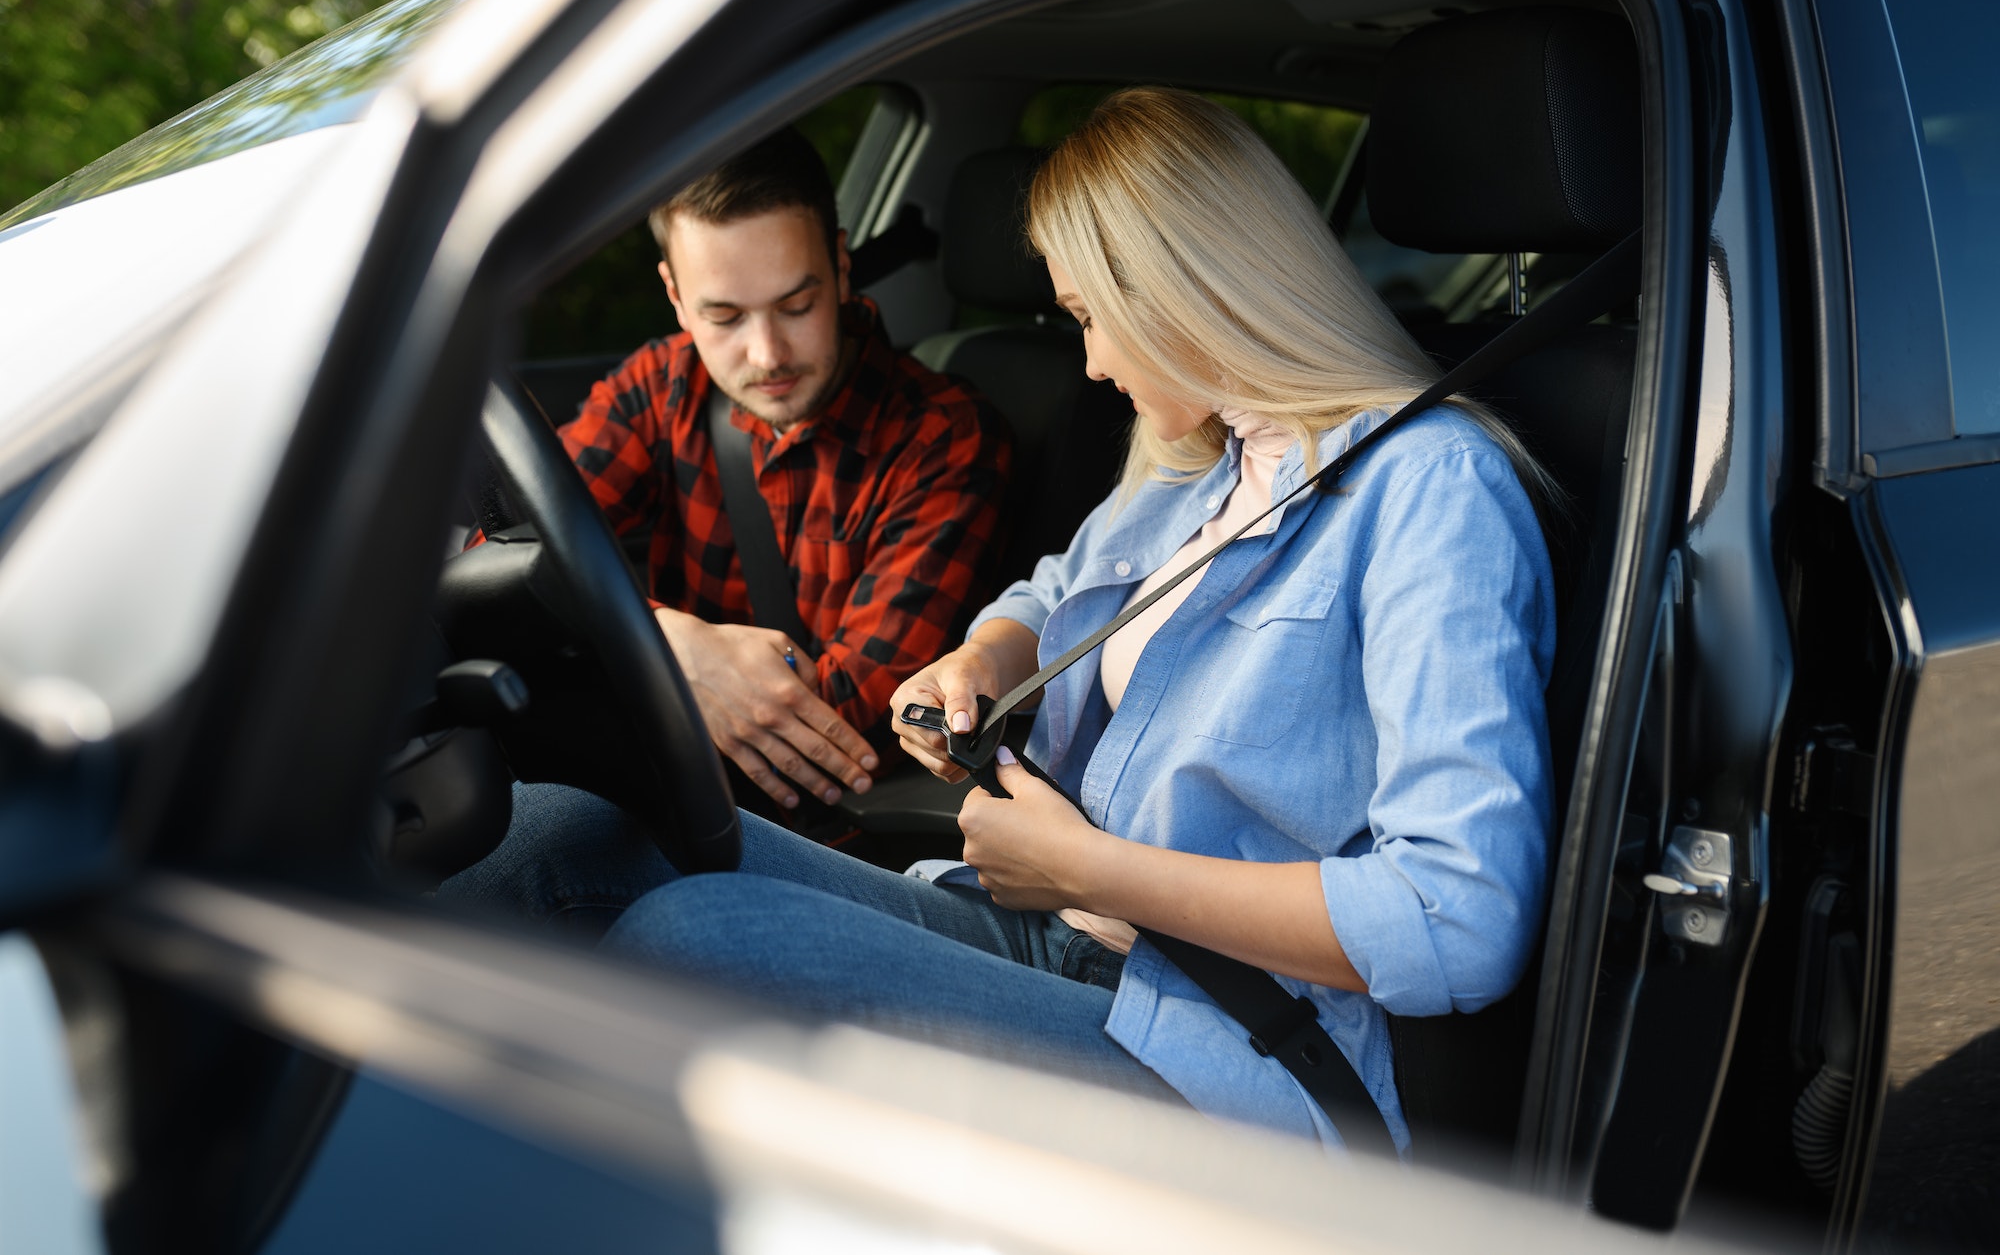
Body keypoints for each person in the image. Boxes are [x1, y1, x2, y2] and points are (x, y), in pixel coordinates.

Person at [453, 89, 1555, 1150]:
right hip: (1061, 930)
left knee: (683, 941)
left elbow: (1457, 915)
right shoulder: (1193, 462)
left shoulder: (1428, 485)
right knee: (555, 831)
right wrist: (981, 658)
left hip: (1233, 1040)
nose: (1091, 361)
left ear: (1182, 288)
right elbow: (1044, 592)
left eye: (1091, 317)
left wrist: (1088, 869)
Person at [545, 128, 1012, 822]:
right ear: (675, 295)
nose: (767, 353)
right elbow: (508, 552)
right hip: (665, 787)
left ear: (842, 269)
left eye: (797, 306)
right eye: (725, 316)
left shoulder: (942, 435)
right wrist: (674, 647)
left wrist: (620, 651)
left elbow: (845, 724)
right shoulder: (657, 386)